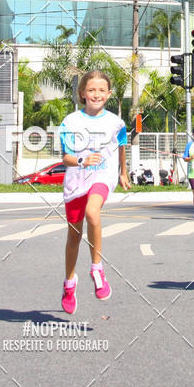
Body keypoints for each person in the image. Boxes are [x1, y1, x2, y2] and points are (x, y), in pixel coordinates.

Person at [58, 70, 130, 314]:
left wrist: (123, 172)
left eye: (101, 90)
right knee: (74, 236)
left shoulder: (116, 122)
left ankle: (97, 269)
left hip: (103, 176)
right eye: (91, 90)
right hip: (77, 180)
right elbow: (66, 157)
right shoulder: (70, 121)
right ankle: (69, 283)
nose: (96, 94)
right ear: (82, 94)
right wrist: (81, 161)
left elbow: (121, 146)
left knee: (93, 212)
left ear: (109, 94)